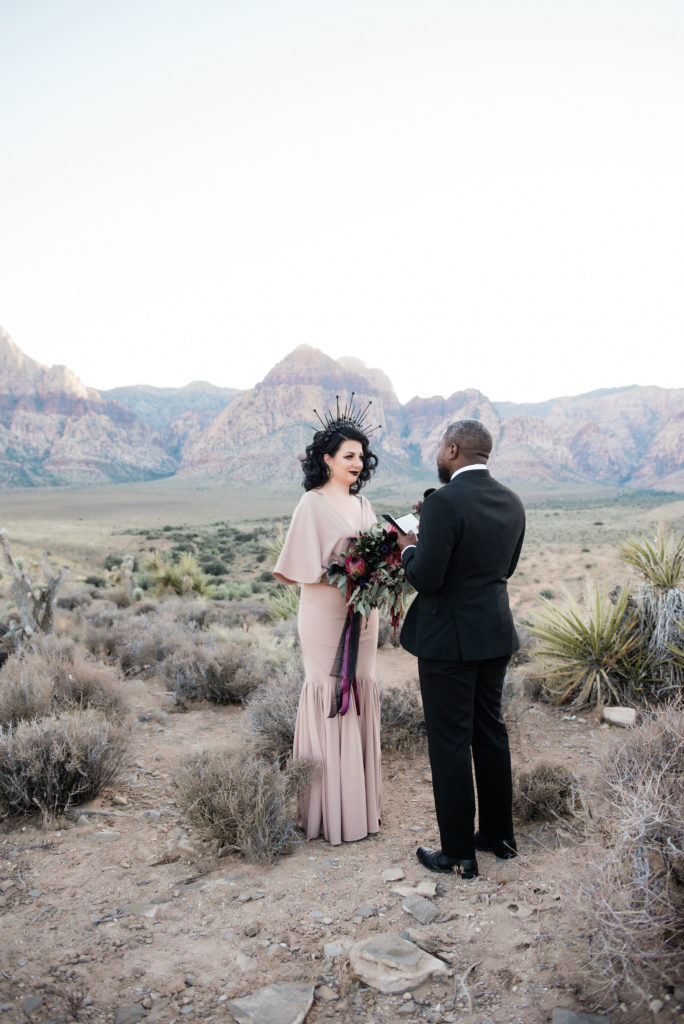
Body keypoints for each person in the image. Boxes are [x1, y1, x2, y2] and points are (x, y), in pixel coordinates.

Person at [396, 419, 525, 878]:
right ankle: (498, 835)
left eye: (439, 447)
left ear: (452, 450)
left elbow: (427, 578)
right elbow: (505, 567)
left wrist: (409, 547)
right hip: (495, 633)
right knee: (490, 732)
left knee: (450, 742)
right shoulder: (512, 500)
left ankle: (457, 853)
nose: (438, 453)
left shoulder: (442, 502)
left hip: (448, 641)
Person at [273, 410, 382, 846]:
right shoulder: (312, 503)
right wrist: (345, 568)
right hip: (324, 612)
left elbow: (377, 555)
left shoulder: (363, 505)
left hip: (365, 613)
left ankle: (360, 809)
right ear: (327, 459)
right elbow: (303, 568)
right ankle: (328, 812)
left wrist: (382, 564)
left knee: (362, 685)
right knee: (328, 691)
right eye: (349, 455)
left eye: (362, 456)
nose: (357, 462)